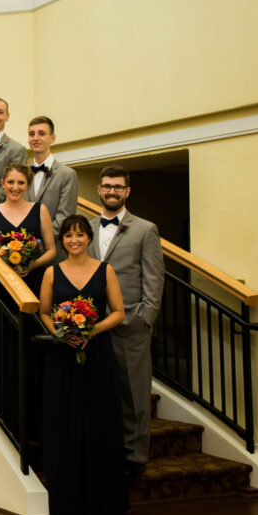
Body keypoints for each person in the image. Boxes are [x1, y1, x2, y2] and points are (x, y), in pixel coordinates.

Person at [39, 214, 128, 515]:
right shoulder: (51, 272)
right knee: (63, 420)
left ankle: (102, 499)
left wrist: (92, 331)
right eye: (67, 235)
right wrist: (60, 333)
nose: (73, 240)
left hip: (97, 353)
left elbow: (118, 312)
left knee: (98, 420)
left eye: (79, 235)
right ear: (62, 240)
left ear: (88, 238)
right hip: (62, 355)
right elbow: (44, 312)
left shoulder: (106, 270)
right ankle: (65, 497)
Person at [90, 166, 165, 479]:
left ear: (127, 192)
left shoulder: (145, 229)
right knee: (100, 390)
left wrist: (145, 319)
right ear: (98, 189)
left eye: (117, 187)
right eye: (107, 187)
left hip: (131, 322)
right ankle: (105, 449)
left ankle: (135, 455)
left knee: (134, 393)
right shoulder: (87, 228)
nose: (111, 192)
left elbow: (154, 278)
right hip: (93, 324)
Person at [0, 162, 55, 296]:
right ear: (2, 183)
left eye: (21, 183)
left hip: (33, 281)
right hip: (1, 282)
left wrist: (33, 264)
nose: (15, 187)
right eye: (10, 182)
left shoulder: (40, 210)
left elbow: (51, 251)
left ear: (28, 185)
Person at [24, 115, 78, 234]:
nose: (35, 138)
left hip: (54, 247)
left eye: (41, 133)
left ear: (52, 138)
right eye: (32, 134)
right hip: (21, 247)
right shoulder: (22, 174)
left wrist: (38, 241)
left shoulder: (67, 174)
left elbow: (65, 217)